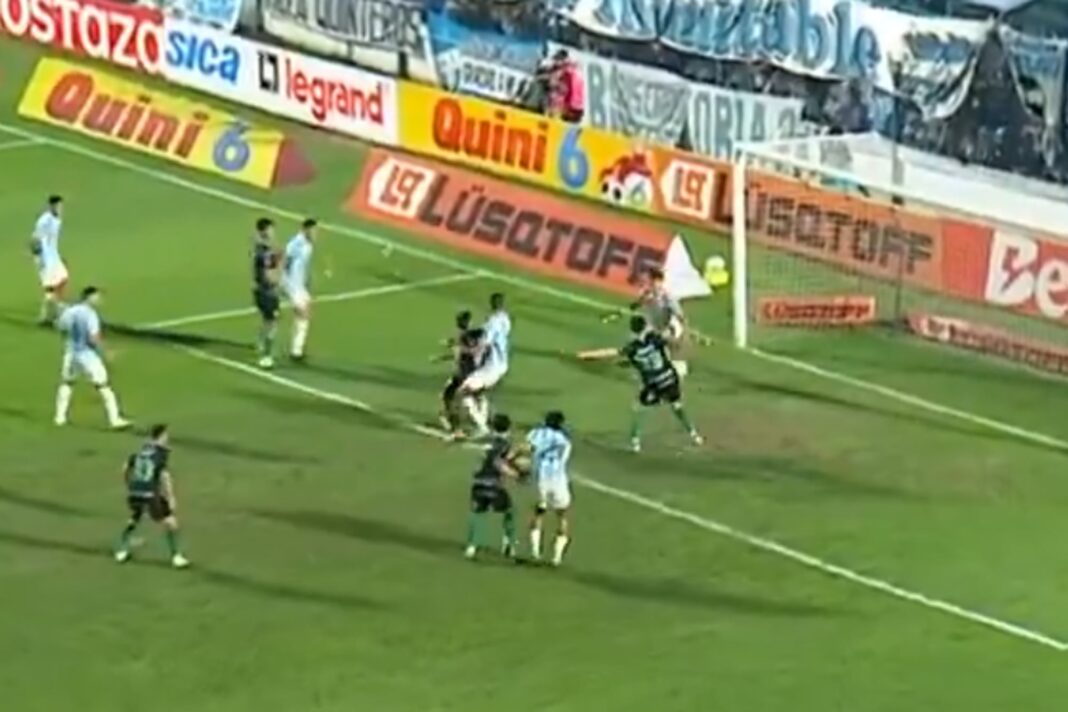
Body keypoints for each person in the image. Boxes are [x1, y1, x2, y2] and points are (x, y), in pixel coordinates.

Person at [579, 315, 702, 453]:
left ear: (633, 331)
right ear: (645, 326)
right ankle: (694, 435)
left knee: (639, 409)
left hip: (653, 384)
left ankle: (635, 442)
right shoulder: (655, 339)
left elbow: (612, 352)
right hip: (669, 378)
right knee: (677, 406)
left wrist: (588, 355)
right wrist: (683, 332)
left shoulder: (632, 348)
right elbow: (671, 340)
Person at [114, 423, 189, 569]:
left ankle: (122, 550)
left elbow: (125, 467)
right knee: (170, 522)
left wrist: (129, 485)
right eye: (166, 435)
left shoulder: (142, 450)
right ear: (161, 436)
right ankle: (176, 556)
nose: (168, 438)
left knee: (135, 517)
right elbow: (164, 476)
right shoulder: (161, 453)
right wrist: (170, 496)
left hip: (135, 492)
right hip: (149, 493)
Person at [54, 286, 130, 429]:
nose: (99, 300)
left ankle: (59, 417)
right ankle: (115, 420)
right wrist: (106, 351)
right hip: (87, 356)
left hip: (71, 353)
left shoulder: (70, 311)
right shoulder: (90, 314)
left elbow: (60, 326)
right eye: (97, 297)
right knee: (103, 386)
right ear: (88, 298)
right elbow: (93, 338)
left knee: (67, 383)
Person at [465, 413, 522, 560]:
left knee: (477, 513)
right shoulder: (504, 444)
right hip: (493, 485)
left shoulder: (484, 440)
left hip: (478, 483)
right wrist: (515, 475)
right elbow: (499, 463)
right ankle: (508, 544)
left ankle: (472, 546)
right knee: (509, 511)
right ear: (508, 428)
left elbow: (479, 459)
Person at [458, 293, 511, 437]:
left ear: (491, 303)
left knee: (464, 392)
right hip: (503, 363)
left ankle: (482, 427)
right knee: (478, 392)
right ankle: (484, 420)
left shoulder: (492, 322)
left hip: (493, 366)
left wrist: (466, 350)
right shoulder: (505, 318)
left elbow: (483, 344)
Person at [526, 411, 573, 566]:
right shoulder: (565, 439)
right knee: (562, 516)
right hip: (559, 479)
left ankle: (535, 552)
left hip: (541, 479)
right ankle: (557, 557)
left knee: (539, 513)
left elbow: (528, 448)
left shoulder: (536, 433)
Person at [437, 310, 485, 438]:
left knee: (452, 398)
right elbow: (462, 353)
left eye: (460, 320)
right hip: (467, 373)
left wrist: (451, 349)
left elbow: (464, 353)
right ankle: (463, 424)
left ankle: (460, 428)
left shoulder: (465, 336)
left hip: (464, 374)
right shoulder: (470, 335)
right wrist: (443, 356)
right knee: (454, 398)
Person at [282, 218, 317, 361]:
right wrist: (283, 283)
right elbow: (284, 261)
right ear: (305, 229)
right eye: (314, 230)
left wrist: (307, 281)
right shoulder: (296, 243)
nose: (316, 234)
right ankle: (296, 351)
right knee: (302, 313)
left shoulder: (309, 245)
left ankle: (297, 348)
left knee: (305, 313)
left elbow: (303, 265)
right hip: (291, 284)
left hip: (300, 285)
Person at [31, 194, 67, 325]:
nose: (60, 208)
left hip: (52, 256)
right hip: (45, 258)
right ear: (51, 206)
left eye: (61, 206)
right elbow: (36, 238)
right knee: (51, 287)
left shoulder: (57, 219)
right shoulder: (44, 220)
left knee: (59, 282)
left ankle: (50, 314)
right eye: (57, 206)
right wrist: (39, 256)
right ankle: (51, 315)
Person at [251, 218, 280, 369]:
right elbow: (269, 274)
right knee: (272, 323)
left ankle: (260, 344)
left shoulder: (259, 247)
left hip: (258, 290)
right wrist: (277, 282)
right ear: (264, 231)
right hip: (267, 291)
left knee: (266, 320)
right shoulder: (267, 252)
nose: (272, 232)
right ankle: (266, 356)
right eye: (270, 229)